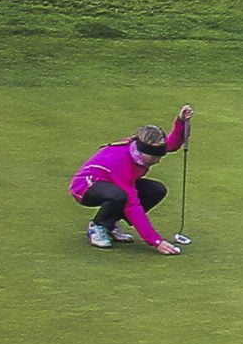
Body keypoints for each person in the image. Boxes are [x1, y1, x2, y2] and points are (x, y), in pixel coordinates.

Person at [72, 107, 191, 252]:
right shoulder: (121, 161)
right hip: (85, 187)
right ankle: (98, 226)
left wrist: (181, 122)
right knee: (120, 196)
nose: (157, 161)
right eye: (154, 158)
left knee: (156, 190)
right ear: (142, 152)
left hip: (111, 184)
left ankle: (110, 224)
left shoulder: (147, 149)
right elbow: (132, 205)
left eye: (159, 156)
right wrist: (156, 241)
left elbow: (172, 144)